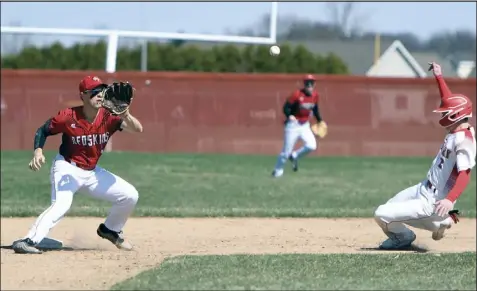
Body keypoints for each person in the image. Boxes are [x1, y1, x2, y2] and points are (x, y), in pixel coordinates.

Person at [12, 76, 144, 254]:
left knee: (130, 195)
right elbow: (43, 130)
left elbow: (137, 129)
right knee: (61, 205)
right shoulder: (68, 116)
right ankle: (29, 240)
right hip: (67, 168)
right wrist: (38, 151)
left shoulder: (108, 117)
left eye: (101, 91)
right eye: (94, 92)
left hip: (91, 173)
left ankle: (110, 230)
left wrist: (126, 114)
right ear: (83, 96)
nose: (99, 95)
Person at [374, 62, 475, 250]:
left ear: (456, 115)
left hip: (434, 201)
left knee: (381, 213)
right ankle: (440, 222)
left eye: (447, 113)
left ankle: (405, 237)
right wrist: (439, 76)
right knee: (390, 205)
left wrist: (449, 200)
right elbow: (448, 99)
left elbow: (465, 174)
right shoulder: (457, 130)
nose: (443, 114)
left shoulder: (464, 140)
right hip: (423, 187)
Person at [272, 74, 325, 177]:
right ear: (304, 84)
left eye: (311, 83)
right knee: (286, 152)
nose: (309, 85)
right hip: (293, 125)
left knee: (312, 145)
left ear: (314, 85)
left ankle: (295, 155)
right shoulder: (296, 94)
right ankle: (277, 171)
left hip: (305, 125)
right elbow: (286, 107)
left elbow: (315, 109)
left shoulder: (315, 96)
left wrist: (320, 121)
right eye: (307, 83)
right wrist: (290, 115)